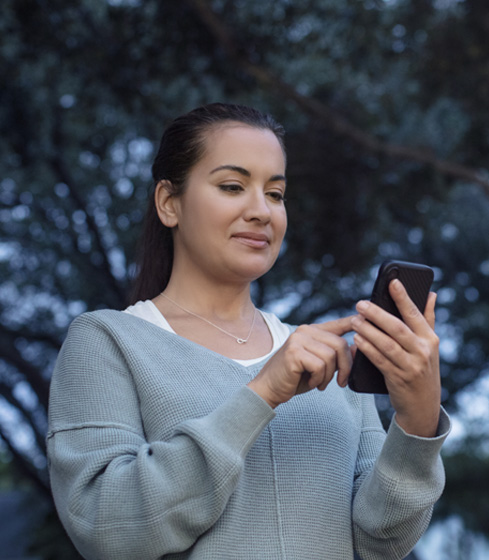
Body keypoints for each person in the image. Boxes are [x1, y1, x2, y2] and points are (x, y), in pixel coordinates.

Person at [47, 103, 450, 560]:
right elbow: (107, 528)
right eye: (233, 186)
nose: (262, 212)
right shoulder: (107, 341)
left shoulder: (332, 359)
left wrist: (417, 423)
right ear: (168, 202)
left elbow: (380, 541)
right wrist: (261, 393)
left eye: (275, 194)